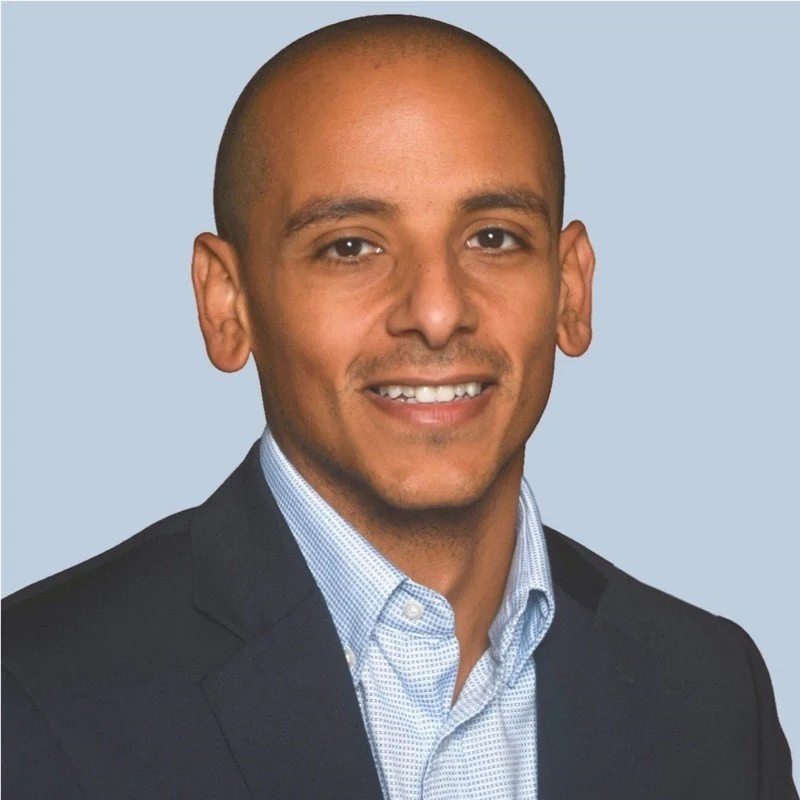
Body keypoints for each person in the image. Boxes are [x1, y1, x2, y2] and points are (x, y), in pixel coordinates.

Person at [2, 13, 796, 799]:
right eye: (350, 246)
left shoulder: (712, 694)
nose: (439, 310)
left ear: (571, 289)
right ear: (227, 303)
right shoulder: (32, 698)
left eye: (493, 237)